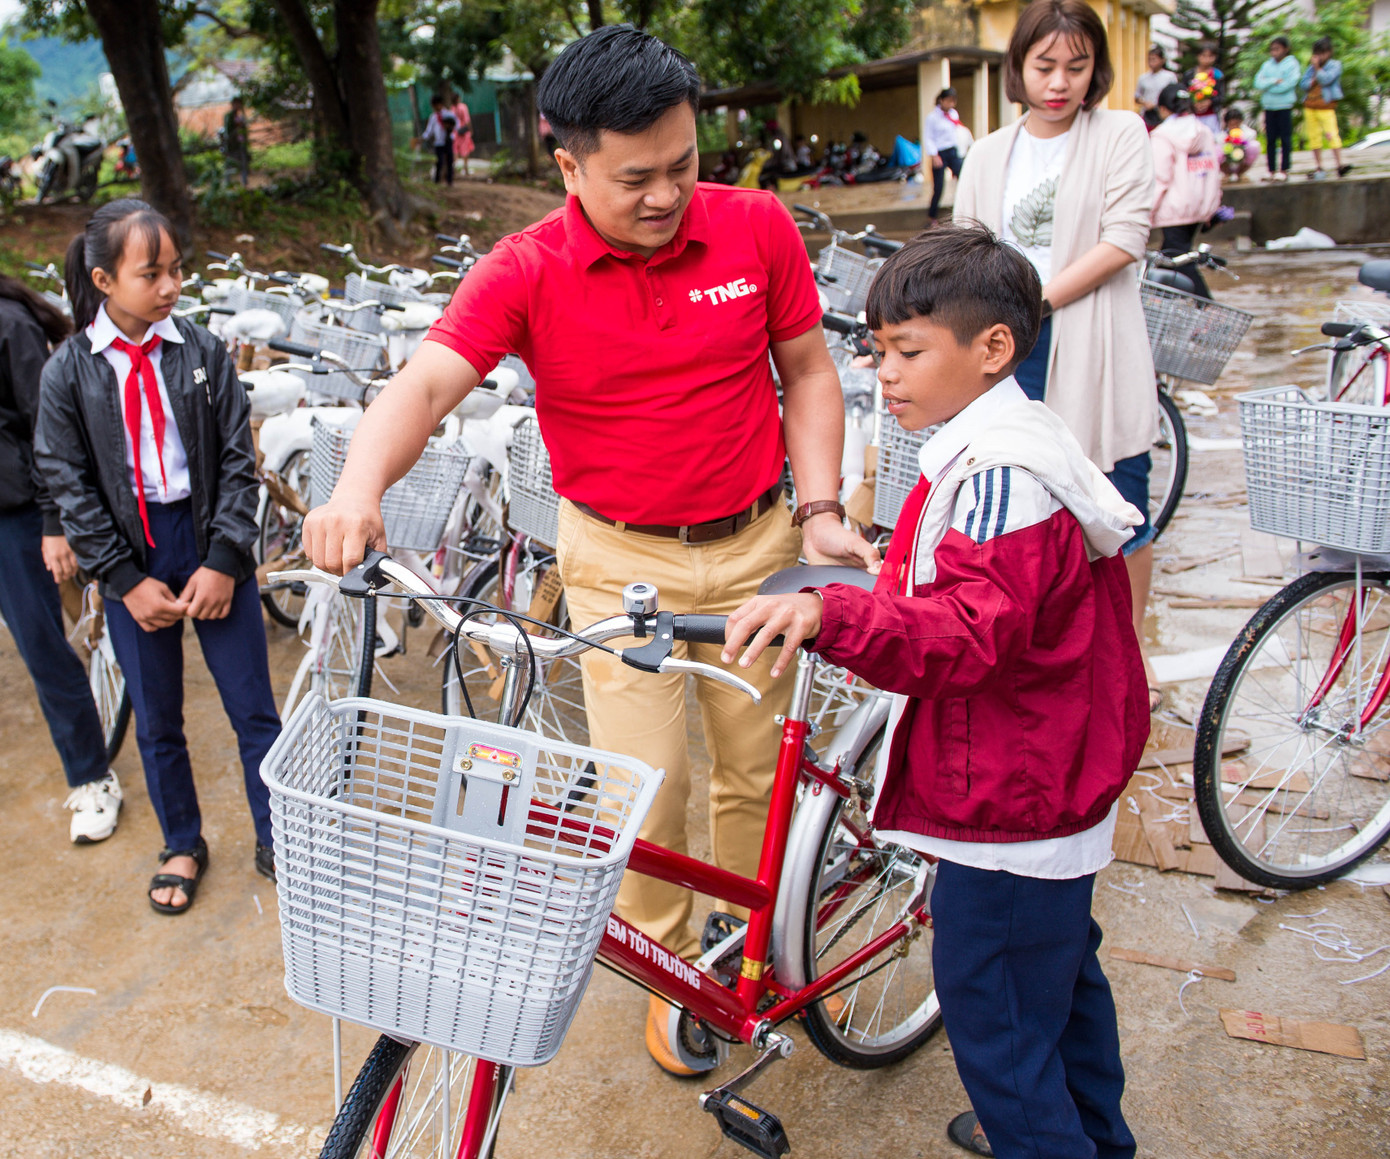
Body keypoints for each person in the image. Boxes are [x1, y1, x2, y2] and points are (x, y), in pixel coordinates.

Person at [300, 25, 876, 1073]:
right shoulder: (527, 268)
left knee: (753, 774)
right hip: (621, 564)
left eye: (684, 167)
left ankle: (745, 950)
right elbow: (426, 384)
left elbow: (809, 368)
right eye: (635, 178)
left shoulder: (753, 228)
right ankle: (668, 964)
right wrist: (354, 488)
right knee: (642, 784)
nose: (667, 196)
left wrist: (825, 507)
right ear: (567, 166)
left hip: (758, 541)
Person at [722, 224, 1147, 1159]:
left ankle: (1040, 1136)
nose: (887, 375)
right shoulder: (1003, 435)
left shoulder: (999, 473)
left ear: (993, 347)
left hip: (1011, 797)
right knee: (1061, 982)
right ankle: (1090, 1137)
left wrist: (841, 616)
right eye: (878, 352)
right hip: (1043, 774)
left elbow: (969, 633)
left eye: (909, 351)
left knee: (994, 1020)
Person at [35, 199, 281, 915]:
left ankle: (277, 834)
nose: (172, 285)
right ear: (105, 279)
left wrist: (227, 558)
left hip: (208, 544)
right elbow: (69, 483)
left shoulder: (203, 353)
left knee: (252, 708)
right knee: (158, 716)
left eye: (178, 269)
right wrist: (122, 578)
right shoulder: (69, 373)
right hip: (132, 557)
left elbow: (240, 463)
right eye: (153, 273)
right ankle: (182, 840)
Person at [953, 0, 1162, 712]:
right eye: (1045, 65)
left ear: (1097, 70)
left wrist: (1032, 299)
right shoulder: (987, 152)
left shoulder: (1121, 134)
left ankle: (1129, 663)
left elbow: (1124, 237)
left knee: (1119, 502)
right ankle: (1051, 659)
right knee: (1025, 507)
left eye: (1077, 66)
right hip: (1012, 351)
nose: (1060, 82)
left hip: (1091, 344)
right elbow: (967, 246)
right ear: (1019, 67)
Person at [0, 274, 122, 845]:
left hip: (15, 513)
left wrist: (54, 524)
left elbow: (46, 432)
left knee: (41, 644)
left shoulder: (11, 324)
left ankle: (92, 777)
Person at [1150, 84, 1222, 297]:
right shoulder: (1204, 131)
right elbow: (1214, 171)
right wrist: (1213, 205)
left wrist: (1145, 211)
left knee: (1178, 260)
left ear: (1163, 109)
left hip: (1174, 209)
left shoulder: (1162, 135)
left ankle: (1208, 309)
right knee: (1168, 261)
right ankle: (1159, 309)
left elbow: (1159, 177)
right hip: (1199, 207)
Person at [1300, 37, 1353, 180]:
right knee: (1314, 137)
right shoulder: (1310, 69)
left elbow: (1326, 79)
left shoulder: (1335, 65)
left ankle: (1339, 164)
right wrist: (1313, 76)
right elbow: (1303, 85)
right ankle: (1319, 166)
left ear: (1329, 53)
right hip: (1310, 106)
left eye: (1322, 53)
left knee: (1332, 134)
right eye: (1317, 53)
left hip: (1326, 106)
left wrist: (1317, 70)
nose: (1320, 57)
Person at [1253, 36, 1299, 182]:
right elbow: (1258, 83)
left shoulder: (1292, 64)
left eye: (1277, 49)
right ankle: (1270, 169)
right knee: (1270, 139)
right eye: (1272, 49)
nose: (1274, 52)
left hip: (1284, 106)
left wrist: (1270, 87)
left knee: (1285, 138)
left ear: (1285, 49)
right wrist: (1274, 82)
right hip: (1269, 106)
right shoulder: (1267, 65)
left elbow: (1289, 83)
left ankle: (1284, 169)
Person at [925, 87, 964, 225]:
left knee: (964, 178)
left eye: (953, 101)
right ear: (941, 100)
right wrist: (934, 155)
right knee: (939, 186)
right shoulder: (932, 118)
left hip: (953, 152)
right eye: (948, 101)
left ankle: (963, 210)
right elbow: (928, 138)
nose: (950, 104)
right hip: (939, 153)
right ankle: (932, 217)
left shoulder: (953, 114)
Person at [1134, 45, 1178, 129]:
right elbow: (1137, 97)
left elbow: (1173, 95)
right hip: (1148, 115)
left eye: (1154, 59)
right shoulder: (1143, 78)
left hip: (1163, 115)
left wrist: (1157, 105)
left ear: (1162, 60)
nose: (1151, 62)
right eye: (1149, 59)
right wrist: (1145, 103)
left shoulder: (1169, 77)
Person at [423, 95, 457, 185]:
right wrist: (423, 138)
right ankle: (437, 181)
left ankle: (449, 181)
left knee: (450, 161)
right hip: (438, 142)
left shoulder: (449, 114)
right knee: (439, 162)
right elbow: (429, 131)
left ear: (440, 104)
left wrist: (450, 127)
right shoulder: (433, 117)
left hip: (448, 140)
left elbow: (457, 126)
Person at [1221, 107, 1260, 183]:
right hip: (1227, 161)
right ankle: (1227, 174)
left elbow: (1249, 144)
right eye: (1231, 124)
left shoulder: (1249, 133)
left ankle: (1241, 173)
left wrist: (1240, 143)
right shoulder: (1221, 135)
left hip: (1242, 159)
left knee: (1254, 146)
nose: (1234, 126)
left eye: (1237, 124)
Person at [222, 96, 250, 187]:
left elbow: (244, 130)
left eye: (239, 104)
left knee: (243, 164)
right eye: (236, 104)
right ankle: (228, 183)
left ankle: (245, 183)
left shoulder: (240, 116)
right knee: (229, 165)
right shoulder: (229, 116)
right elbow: (229, 130)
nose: (238, 106)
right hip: (231, 145)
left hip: (240, 144)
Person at [451, 94, 475, 178]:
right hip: (463, 133)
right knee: (465, 151)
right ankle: (465, 169)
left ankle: (453, 169)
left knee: (455, 151)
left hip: (454, 133)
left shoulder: (451, 109)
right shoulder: (463, 107)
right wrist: (470, 129)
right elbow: (467, 120)